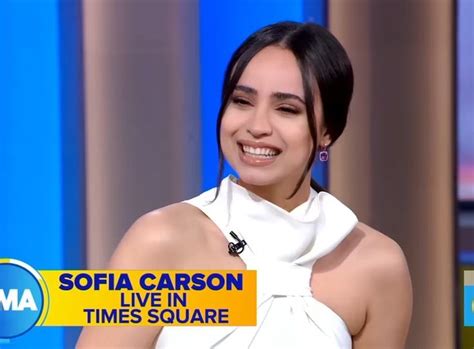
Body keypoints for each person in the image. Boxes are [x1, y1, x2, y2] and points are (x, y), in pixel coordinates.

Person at [77, 21, 412, 348]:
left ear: (328, 131)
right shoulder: (160, 240)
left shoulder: (376, 264)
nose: (257, 126)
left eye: (286, 109)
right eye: (242, 101)